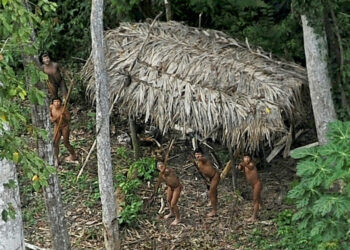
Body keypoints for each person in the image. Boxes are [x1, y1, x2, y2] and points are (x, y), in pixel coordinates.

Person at [49, 97, 77, 166]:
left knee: (66, 142)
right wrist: (53, 119)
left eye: (58, 102)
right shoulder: (51, 107)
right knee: (55, 143)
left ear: (60, 103)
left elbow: (69, 118)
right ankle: (56, 159)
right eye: (55, 102)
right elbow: (50, 115)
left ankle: (73, 155)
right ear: (52, 103)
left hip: (64, 126)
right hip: (57, 126)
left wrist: (63, 116)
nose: (57, 103)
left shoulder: (63, 109)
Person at [194, 148, 220, 217]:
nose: (197, 156)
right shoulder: (198, 163)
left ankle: (214, 211)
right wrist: (206, 179)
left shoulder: (204, 159)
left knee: (211, 193)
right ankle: (214, 202)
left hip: (215, 176)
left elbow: (202, 159)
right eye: (196, 154)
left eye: (199, 154)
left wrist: (199, 158)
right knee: (214, 191)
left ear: (202, 154)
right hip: (210, 178)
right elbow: (203, 171)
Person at [237, 155, 263, 222]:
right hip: (253, 185)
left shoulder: (251, 164)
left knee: (255, 200)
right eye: (245, 157)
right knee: (258, 198)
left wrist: (243, 164)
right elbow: (240, 169)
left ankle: (254, 217)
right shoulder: (245, 166)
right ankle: (262, 207)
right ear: (243, 158)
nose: (247, 159)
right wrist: (240, 166)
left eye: (248, 157)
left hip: (257, 184)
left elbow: (250, 167)